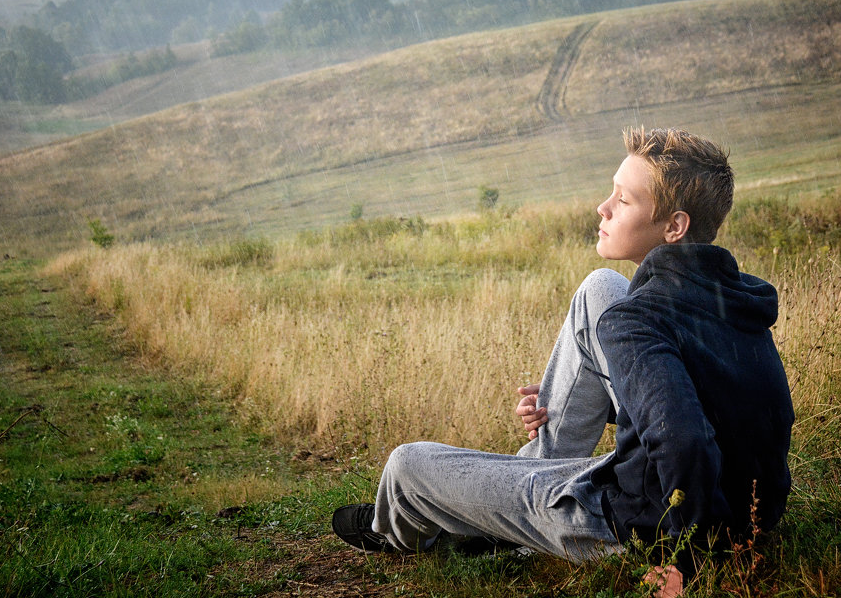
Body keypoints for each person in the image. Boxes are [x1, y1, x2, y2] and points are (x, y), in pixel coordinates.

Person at [332, 127, 793, 596]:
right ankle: (531, 475)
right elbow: (721, 406)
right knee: (600, 287)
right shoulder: (733, 298)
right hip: (743, 505)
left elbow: (687, 438)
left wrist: (684, 559)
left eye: (624, 200)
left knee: (408, 466)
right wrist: (612, 394)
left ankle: (400, 530)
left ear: (674, 227)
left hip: (637, 520)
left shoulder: (636, 321)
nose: (603, 208)